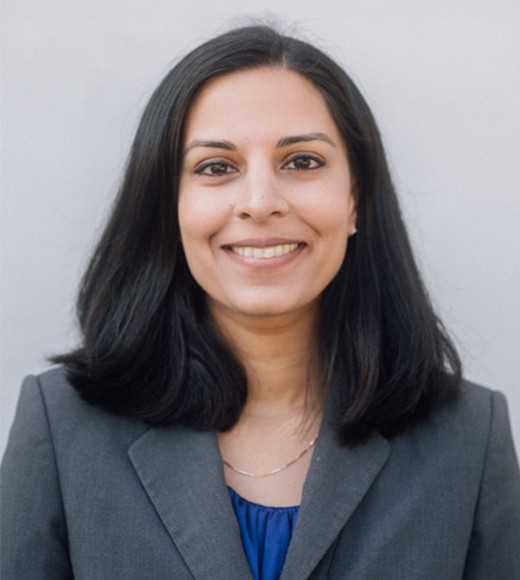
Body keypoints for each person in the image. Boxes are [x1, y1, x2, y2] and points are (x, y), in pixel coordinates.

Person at [1, 24, 519, 580]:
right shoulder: (61, 427)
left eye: (302, 161)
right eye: (216, 167)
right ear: (169, 208)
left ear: (356, 198)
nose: (260, 202)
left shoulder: (469, 436)